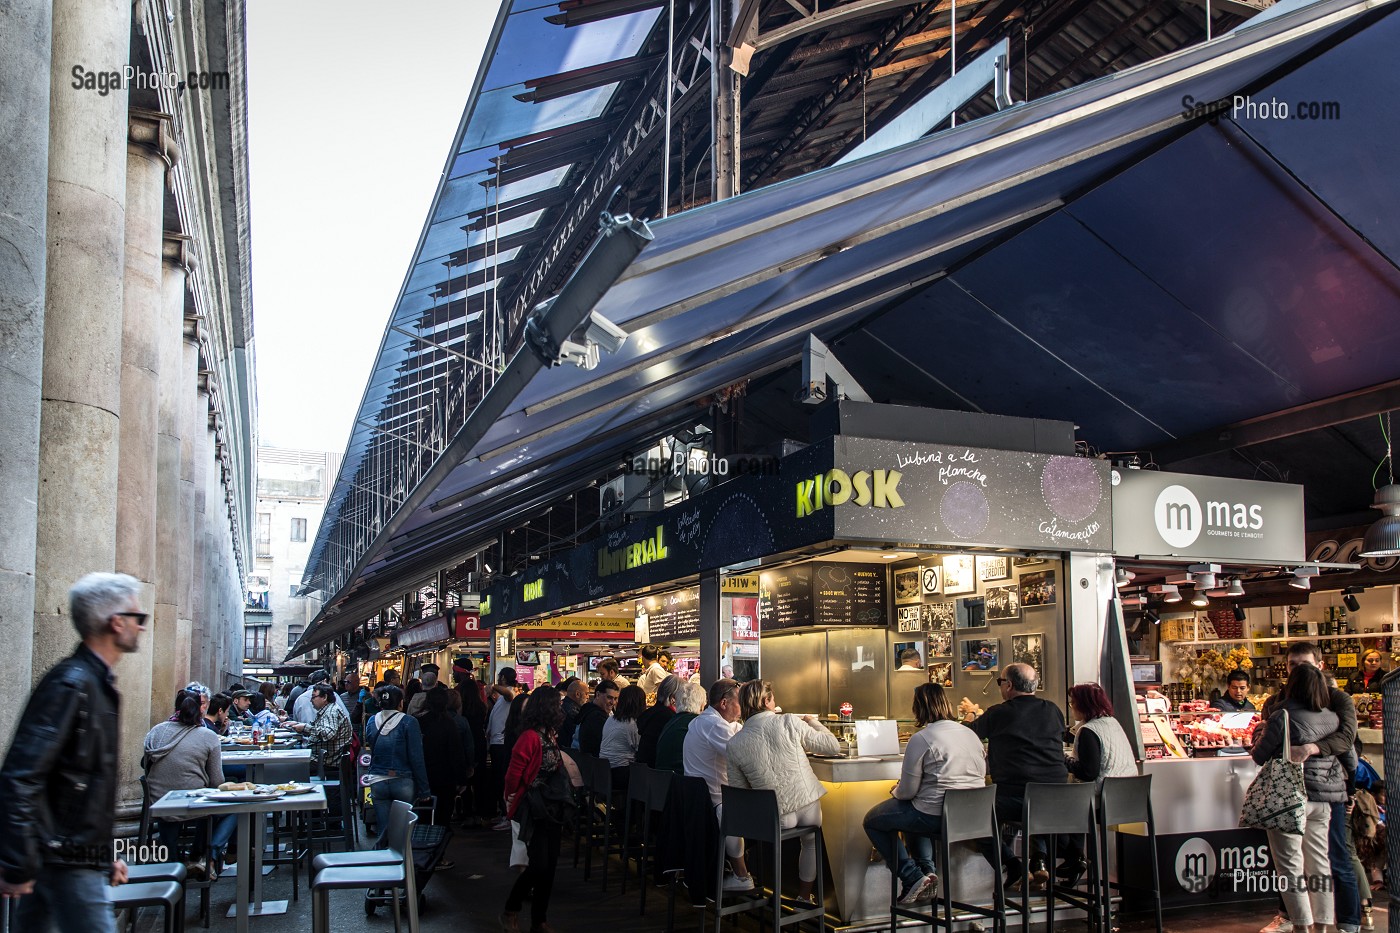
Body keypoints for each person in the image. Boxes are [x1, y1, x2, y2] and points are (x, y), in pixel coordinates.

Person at [0, 573, 145, 931]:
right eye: (138, 618)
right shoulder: (73, 684)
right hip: (66, 859)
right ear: (116, 622)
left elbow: (82, 786)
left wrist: (103, 855)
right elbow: (21, 775)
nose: (142, 628)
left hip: (69, 856)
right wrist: (18, 861)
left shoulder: (91, 683)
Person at [1259, 643, 1362, 933]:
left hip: (1326, 791)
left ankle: (1347, 921)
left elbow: (1346, 740)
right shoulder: (1275, 700)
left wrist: (1311, 748)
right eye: (1293, 664)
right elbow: (1264, 733)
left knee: (1334, 857)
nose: (1298, 669)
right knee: (1298, 862)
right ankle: (1297, 919)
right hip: (1297, 790)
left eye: (1304, 663)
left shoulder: (1338, 700)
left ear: (1320, 664)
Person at [864, 683, 986, 906]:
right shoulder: (971, 734)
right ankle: (928, 876)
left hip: (935, 816)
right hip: (973, 816)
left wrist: (896, 791)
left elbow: (908, 790)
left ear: (918, 708)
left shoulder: (922, 738)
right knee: (913, 811)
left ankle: (911, 877)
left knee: (873, 821)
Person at [727, 680, 840, 905]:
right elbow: (832, 747)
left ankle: (768, 888)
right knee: (810, 842)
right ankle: (804, 898)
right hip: (809, 809)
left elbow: (739, 792)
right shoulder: (788, 721)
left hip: (776, 818)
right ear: (766, 701)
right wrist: (813, 722)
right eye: (773, 698)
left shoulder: (735, 743)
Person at [960, 662, 1068, 890]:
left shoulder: (1000, 712)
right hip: (1058, 801)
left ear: (1008, 685)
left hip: (1014, 797)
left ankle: (1013, 865)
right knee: (1035, 805)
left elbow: (964, 736)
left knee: (974, 818)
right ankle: (1038, 860)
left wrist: (970, 714)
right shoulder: (1053, 709)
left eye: (1000, 682)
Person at [144, 687, 234, 879]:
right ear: (200, 709)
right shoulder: (208, 736)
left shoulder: (155, 731)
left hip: (159, 802)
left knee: (173, 802)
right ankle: (205, 856)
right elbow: (217, 781)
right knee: (234, 808)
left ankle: (173, 859)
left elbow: (146, 766)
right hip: (194, 804)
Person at [501, 686, 570, 933]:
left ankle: (539, 920)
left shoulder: (549, 734)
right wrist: (512, 801)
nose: (561, 708)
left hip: (551, 807)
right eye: (557, 704)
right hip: (534, 807)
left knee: (549, 865)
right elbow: (513, 775)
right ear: (548, 708)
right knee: (539, 864)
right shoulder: (529, 737)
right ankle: (511, 908)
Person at [1058, 683, 1138, 882]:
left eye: (1073, 703)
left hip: (1103, 802)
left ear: (1083, 705)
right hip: (1129, 800)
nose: (1071, 707)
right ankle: (1076, 859)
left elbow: (1088, 773)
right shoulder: (1112, 723)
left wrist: (1063, 760)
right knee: (1074, 804)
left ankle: (1072, 858)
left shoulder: (1089, 731)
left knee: (1054, 808)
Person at [683, 678, 753, 891]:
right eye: (740, 702)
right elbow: (743, 756)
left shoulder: (706, 721)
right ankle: (742, 876)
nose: (743, 708)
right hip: (712, 802)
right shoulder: (713, 725)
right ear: (724, 704)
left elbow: (738, 734)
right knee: (734, 809)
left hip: (698, 799)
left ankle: (735, 870)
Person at [363, 684, 430, 844]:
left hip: (377, 780)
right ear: (400, 703)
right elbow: (416, 757)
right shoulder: (409, 722)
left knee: (384, 828)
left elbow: (369, 744)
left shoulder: (372, 720)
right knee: (404, 830)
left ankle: (383, 859)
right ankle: (403, 864)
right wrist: (424, 789)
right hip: (403, 781)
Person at [419, 688, 470, 841]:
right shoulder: (449, 723)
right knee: (443, 815)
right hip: (445, 777)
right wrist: (462, 779)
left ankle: (423, 848)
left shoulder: (419, 721)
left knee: (425, 815)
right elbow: (456, 752)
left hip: (424, 776)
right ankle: (438, 853)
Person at [487, 668, 521, 830]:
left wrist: (492, 686)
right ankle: (503, 813)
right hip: (496, 742)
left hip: (501, 743)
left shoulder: (508, 694)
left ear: (504, 678)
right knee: (498, 780)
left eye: (500, 677)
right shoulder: (502, 698)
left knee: (502, 780)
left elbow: (509, 695)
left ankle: (508, 816)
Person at [290, 683, 353, 766]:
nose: (311, 700)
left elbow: (329, 734)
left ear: (324, 697)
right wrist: (298, 725)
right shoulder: (329, 709)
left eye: (313, 697)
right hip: (323, 756)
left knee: (288, 763)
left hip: (325, 761)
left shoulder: (331, 712)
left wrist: (305, 728)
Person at [656, 681, 706, 773]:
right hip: (681, 779)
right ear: (702, 706)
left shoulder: (671, 721)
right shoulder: (696, 724)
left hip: (662, 779)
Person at [600, 685, 646, 784]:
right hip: (620, 773)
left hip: (603, 771)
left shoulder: (611, 719)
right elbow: (641, 749)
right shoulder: (633, 724)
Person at [636, 675, 682, 766]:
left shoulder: (650, 713)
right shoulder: (669, 718)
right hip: (659, 773)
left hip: (642, 771)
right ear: (673, 698)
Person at [575, 679, 619, 757]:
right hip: (596, 764)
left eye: (615, 699)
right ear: (598, 695)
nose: (613, 702)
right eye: (609, 697)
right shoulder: (597, 717)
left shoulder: (587, 709)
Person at [558, 677, 586, 750]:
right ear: (577, 694)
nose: (588, 697)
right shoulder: (573, 711)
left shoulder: (563, 704)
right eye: (586, 693)